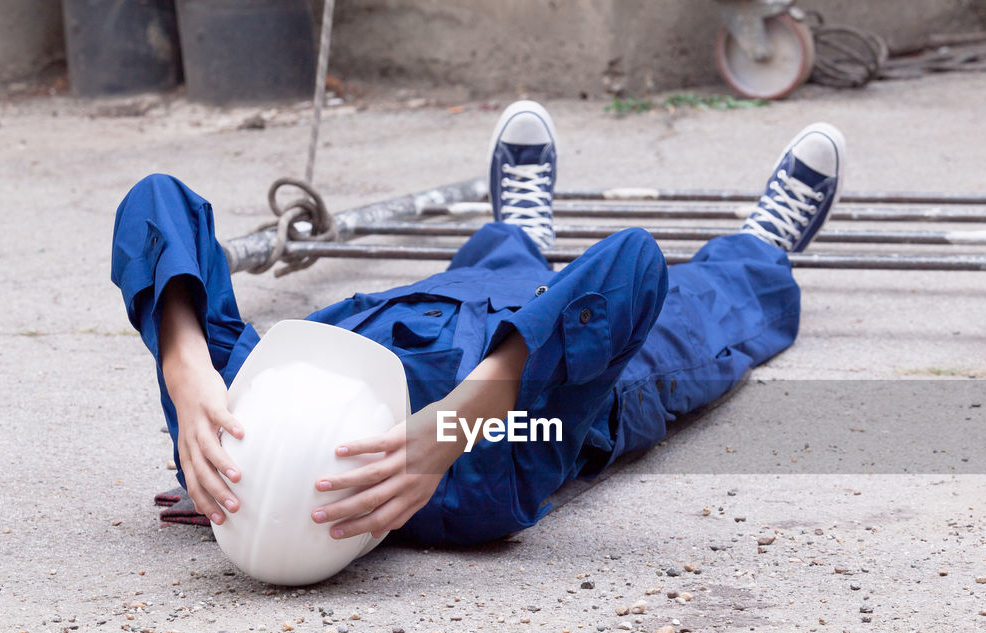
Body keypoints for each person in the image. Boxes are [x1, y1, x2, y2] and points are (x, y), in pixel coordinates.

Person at [111, 102, 845, 547]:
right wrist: (464, 421)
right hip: (574, 362)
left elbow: (155, 198)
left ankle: (517, 229)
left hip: (438, 302)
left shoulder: (231, 426)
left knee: (492, 266)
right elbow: (633, 264)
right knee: (708, 313)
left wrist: (187, 365)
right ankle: (760, 247)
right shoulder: (475, 487)